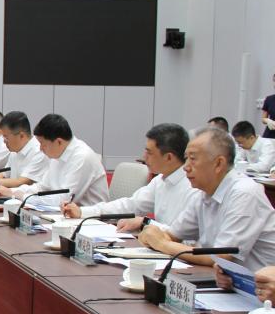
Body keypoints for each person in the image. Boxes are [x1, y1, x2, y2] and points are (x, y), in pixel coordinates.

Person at [139, 127, 275, 270]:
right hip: (220, 279)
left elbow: (221, 257)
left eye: (192, 159)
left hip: (256, 282)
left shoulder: (244, 193)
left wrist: (162, 244)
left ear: (219, 164)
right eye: (186, 159)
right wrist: (152, 236)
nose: (185, 167)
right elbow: (172, 235)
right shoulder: (203, 193)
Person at [62, 123, 198, 232]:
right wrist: (82, 212)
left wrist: (146, 223)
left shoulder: (193, 187)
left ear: (169, 157)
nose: (144, 157)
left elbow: (184, 236)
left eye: (149, 153)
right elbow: (130, 205)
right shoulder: (160, 181)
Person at [0, 113, 108, 206]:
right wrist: (11, 192)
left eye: (43, 144)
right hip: (64, 216)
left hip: (91, 220)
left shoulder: (82, 157)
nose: (40, 148)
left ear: (58, 142)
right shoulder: (57, 154)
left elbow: (64, 200)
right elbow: (42, 187)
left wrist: (21, 196)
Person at [0, 111, 50, 190]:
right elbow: (4, 174)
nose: (4, 141)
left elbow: (21, 182)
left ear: (21, 135)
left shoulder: (39, 151)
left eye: (6, 137)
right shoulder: (15, 150)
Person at [262, 73, 275, 139]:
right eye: (274, 81)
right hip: (269, 135)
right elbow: (263, 118)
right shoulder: (269, 99)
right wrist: (268, 121)